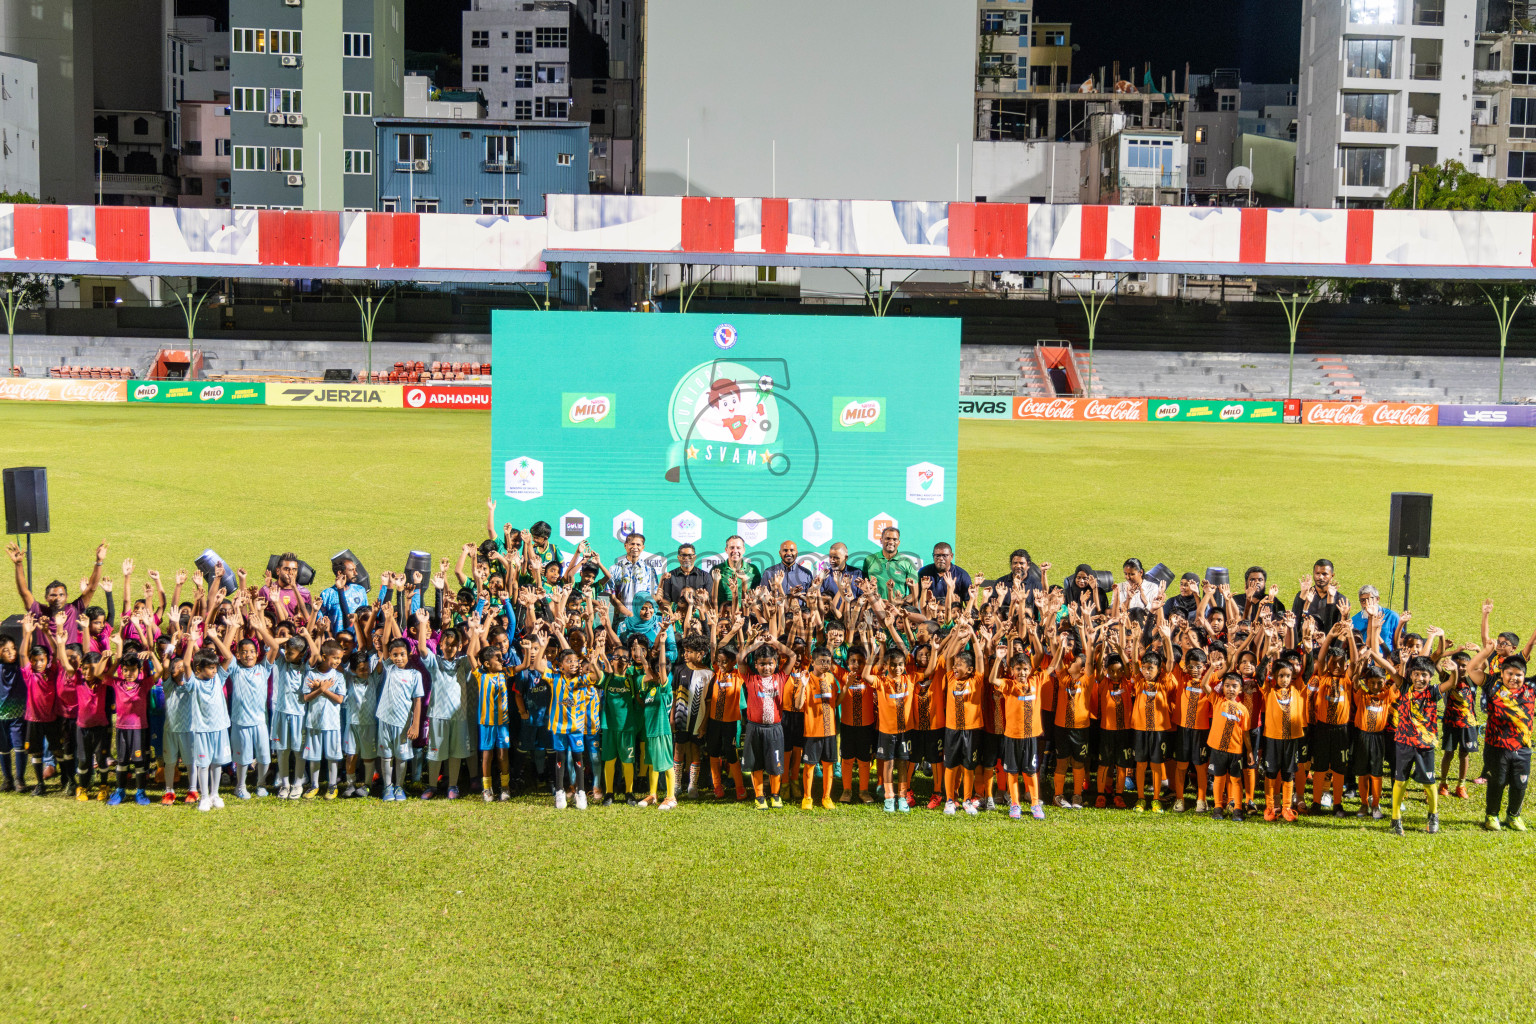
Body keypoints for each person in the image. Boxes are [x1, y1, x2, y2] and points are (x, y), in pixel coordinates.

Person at [1466, 645, 1533, 831]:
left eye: (1519, 675)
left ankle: (1514, 816)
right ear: (1502, 673)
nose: (1514, 678)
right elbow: (1471, 669)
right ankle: (1492, 815)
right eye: (1509, 673)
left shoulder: (1531, 688)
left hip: (1523, 748)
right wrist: (1487, 650)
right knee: (1498, 782)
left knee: (1520, 784)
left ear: (1524, 676)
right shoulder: (1492, 684)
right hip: (1496, 747)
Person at [416, 611, 471, 800]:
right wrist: (423, 623)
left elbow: (473, 655)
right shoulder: (435, 662)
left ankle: (453, 786)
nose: (450, 647)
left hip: (459, 716)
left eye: (454, 645)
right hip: (438, 714)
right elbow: (422, 649)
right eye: (447, 644)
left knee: (456, 753)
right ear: (440, 645)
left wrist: (474, 634)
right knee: (435, 753)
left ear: (460, 646)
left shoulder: (463, 663)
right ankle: (432, 785)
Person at [9, 540, 108, 644]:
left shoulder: (73, 609)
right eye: (53, 595)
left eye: (61, 595)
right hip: (46, 655)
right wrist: (18, 564)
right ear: (46, 598)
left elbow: (91, 588)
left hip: (69, 655)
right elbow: (24, 592)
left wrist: (99, 562)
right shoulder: (39, 611)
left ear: (66, 596)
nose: (57, 598)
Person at [374, 634, 424, 803]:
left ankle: (399, 786)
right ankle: (387, 787)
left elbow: (417, 701)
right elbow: (385, 643)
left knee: (401, 756)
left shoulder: (414, 675)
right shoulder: (388, 668)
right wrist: (389, 621)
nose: (398, 658)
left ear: (408, 654)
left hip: (403, 723)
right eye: (395, 655)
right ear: (390, 655)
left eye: (402, 654)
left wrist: (415, 725)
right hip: (385, 719)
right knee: (386, 755)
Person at [299, 638, 348, 800]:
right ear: (325, 656)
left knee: (333, 756)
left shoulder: (339, 676)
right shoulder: (311, 674)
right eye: (335, 658)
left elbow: (339, 699)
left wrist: (323, 689)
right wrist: (321, 690)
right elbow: (306, 697)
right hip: (314, 722)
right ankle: (314, 785)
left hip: (332, 723)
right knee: (314, 756)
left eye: (340, 658)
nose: (337, 661)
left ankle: (332, 786)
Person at [1202, 672, 1253, 821]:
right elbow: (1204, 685)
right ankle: (1218, 808)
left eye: (1234, 686)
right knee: (1219, 778)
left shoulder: (1243, 710)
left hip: (1235, 751)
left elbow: (1246, 733)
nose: (1231, 689)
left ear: (1240, 690)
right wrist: (1212, 668)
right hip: (1218, 749)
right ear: (1222, 687)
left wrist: (1249, 751)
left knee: (1236, 780)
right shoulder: (1217, 701)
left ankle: (1238, 809)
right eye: (1227, 686)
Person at [609, 532, 660, 617]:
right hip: (622, 618)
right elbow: (612, 596)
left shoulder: (649, 569)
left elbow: (653, 596)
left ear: (643, 547)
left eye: (638, 544)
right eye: (632, 544)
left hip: (643, 618)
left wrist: (644, 613)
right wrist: (629, 614)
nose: (635, 547)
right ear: (625, 545)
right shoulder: (614, 569)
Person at [318, 557, 369, 636]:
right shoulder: (327, 594)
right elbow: (321, 621)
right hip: (336, 640)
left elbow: (366, 616)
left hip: (357, 639)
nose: (356, 573)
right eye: (351, 570)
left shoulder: (360, 590)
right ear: (340, 572)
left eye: (355, 570)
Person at [862, 527, 916, 600]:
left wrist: (901, 603)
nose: (891, 542)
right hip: (874, 605)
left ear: (898, 542)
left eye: (894, 539)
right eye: (887, 538)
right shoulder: (869, 559)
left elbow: (914, 593)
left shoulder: (907, 562)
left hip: (898, 607)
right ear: (881, 540)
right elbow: (864, 586)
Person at [660, 543, 710, 608]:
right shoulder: (670, 576)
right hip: (676, 613)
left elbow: (709, 601)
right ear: (678, 557)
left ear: (695, 557)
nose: (686, 558)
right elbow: (666, 601)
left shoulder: (705, 576)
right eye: (683, 555)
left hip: (698, 613)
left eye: (690, 555)